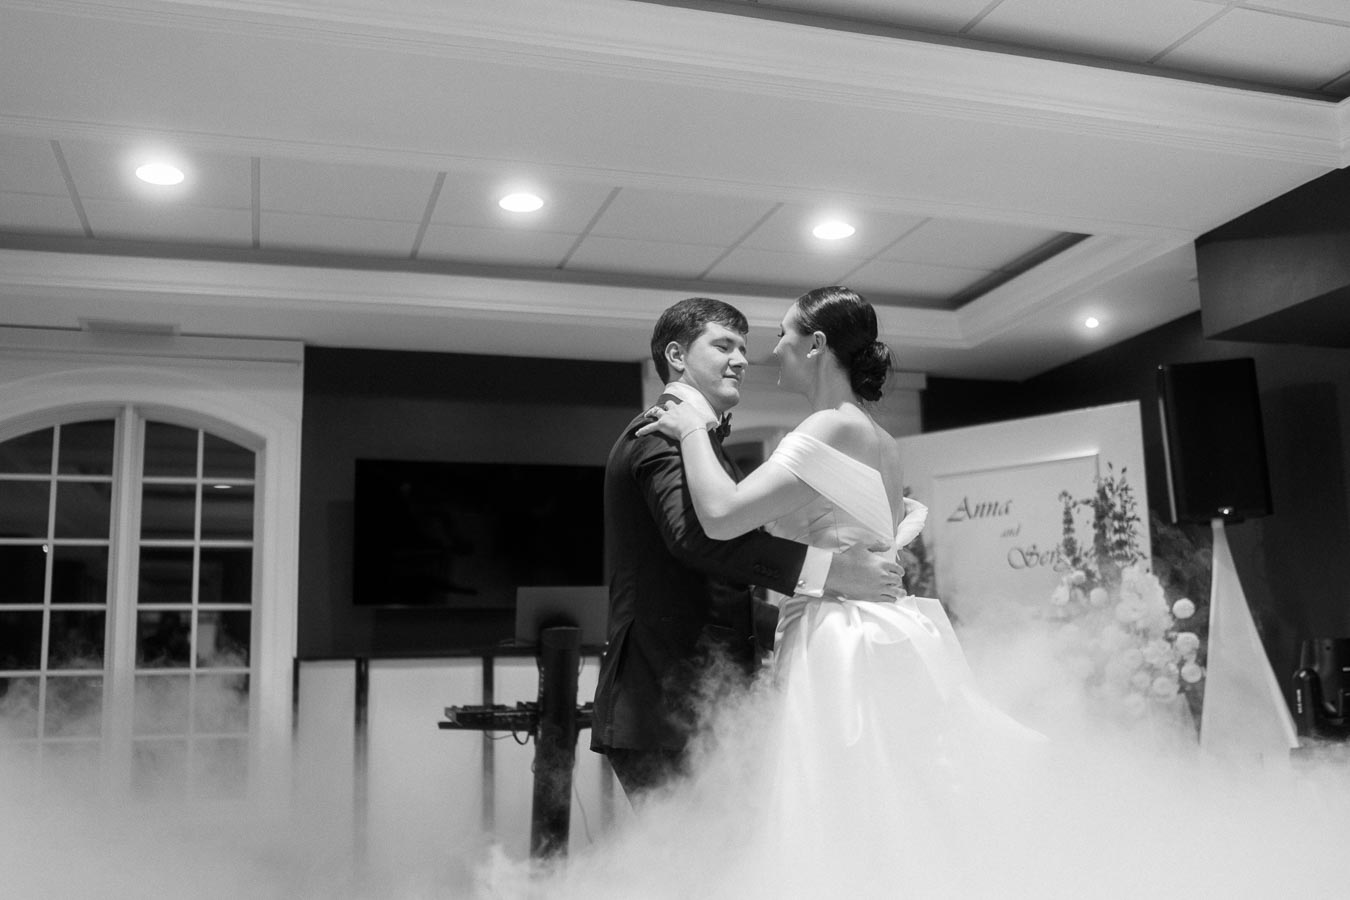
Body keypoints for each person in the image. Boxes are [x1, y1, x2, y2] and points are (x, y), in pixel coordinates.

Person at [636, 286, 1044, 892]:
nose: (771, 351)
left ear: (817, 344)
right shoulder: (880, 437)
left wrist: (694, 428)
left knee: (833, 795)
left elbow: (721, 516)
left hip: (841, 635)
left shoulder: (826, 427)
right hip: (887, 626)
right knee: (892, 787)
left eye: (782, 334)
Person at [590, 296, 905, 801]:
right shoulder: (660, 432)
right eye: (723, 345)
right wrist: (830, 577)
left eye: (745, 345)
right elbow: (697, 540)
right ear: (676, 356)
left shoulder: (698, 439)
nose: (743, 357)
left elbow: (716, 571)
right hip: (665, 697)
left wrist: (793, 619)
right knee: (695, 865)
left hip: (705, 694)